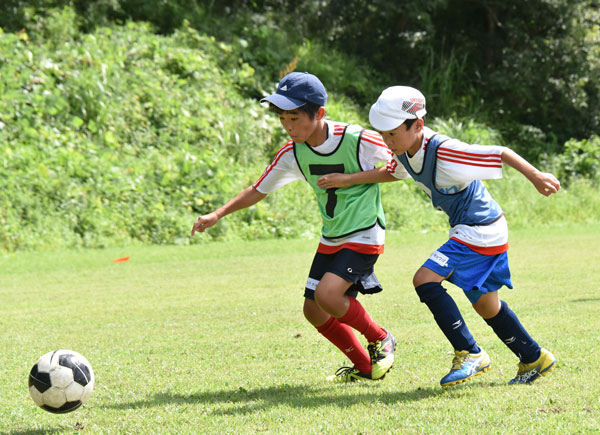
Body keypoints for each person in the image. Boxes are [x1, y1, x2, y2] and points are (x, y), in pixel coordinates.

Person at [319, 85, 559, 386]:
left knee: (424, 279)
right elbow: (393, 171)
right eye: (383, 133)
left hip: (481, 229)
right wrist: (347, 180)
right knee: (486, 305)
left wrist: (536, 176)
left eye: (392, 133)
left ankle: (469, 352)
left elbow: (500, 152)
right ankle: (534, 357)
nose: (386, 140)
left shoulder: (446, 151)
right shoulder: (405, 148)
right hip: (474, 228)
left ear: (418, 125)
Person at [191, 72, 401, 382]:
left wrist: (349, 179)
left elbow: (401, 168)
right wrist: (218, 214)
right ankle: (366, 368)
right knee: (313, 310)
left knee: (328, 297)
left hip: (365, 231)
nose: (288, 126)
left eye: (294, 117)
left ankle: (381, 337)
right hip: (331, 237)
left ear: (319, 114)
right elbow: (258, 189)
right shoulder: (292, 152)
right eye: (283, 118)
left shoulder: (358, 139)